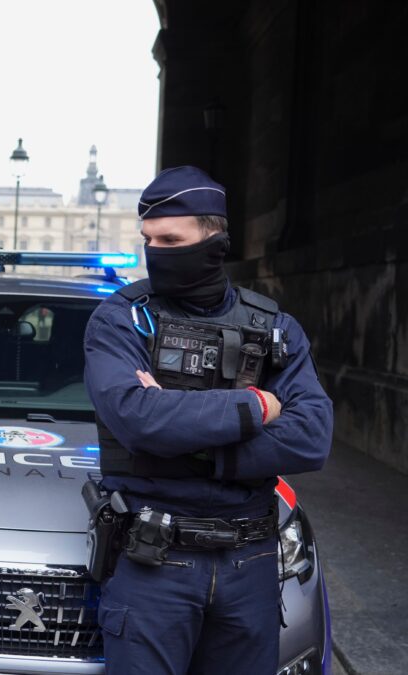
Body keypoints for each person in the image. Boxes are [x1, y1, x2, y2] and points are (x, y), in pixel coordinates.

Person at [83, 165, 333, 674]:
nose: (155, 252)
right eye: (148, 240)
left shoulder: (275, 327)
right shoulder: (121, 320)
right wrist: (258, 406)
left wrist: (182, 436)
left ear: (214, 241)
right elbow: (138, 420)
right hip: (154, 563)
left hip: (251, 563)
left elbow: (312, 437)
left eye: (171, 240)